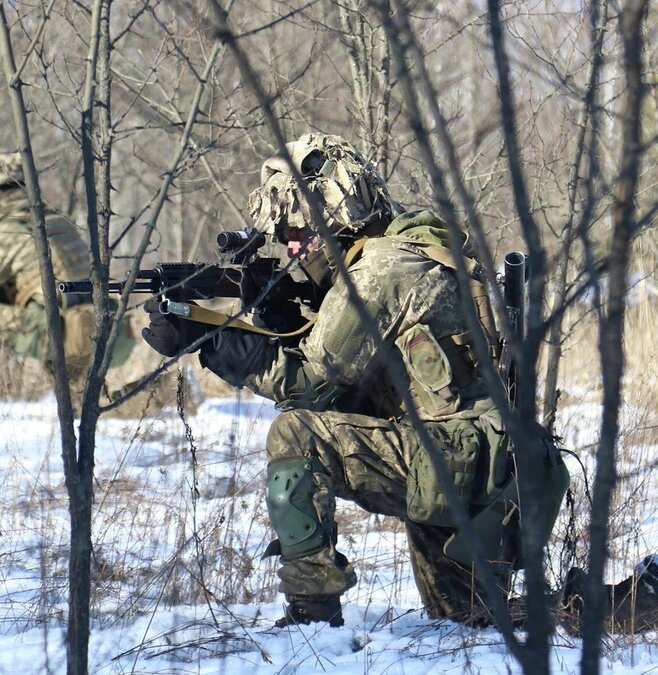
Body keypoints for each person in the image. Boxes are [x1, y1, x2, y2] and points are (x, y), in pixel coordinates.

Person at [141, 133, 570, 627]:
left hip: (462, 461)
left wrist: (211, 339)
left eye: (297, 229)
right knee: (468, 618)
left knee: (296, 434)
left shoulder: (383, 269)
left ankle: (312, 611)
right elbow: (356, 386)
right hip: (482, 464)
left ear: (334, 214)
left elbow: (309, 386)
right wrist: (282, 318)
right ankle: (626, 603)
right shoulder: (410, 248)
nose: (291, 245)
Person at [0, 151, 162, 419]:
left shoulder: (6, 231)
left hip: (57, 328)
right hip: (96, 323)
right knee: (86, 407)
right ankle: (163, 393)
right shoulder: (56, 220)